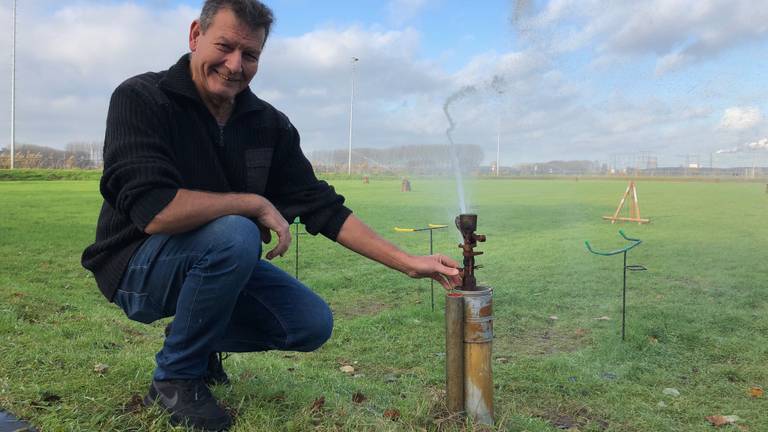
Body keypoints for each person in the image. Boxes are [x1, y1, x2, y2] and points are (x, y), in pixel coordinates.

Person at [81, 0, 461, 430]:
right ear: (194, 35)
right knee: (238, 231)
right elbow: (154, 211)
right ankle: (175, 379)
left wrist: (410, 263)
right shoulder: (141, 98)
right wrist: (254, 203)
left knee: (309, 323)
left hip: (213, 259)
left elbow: (321, 207)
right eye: (224, 46)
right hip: (135, 266)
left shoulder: (269, 124)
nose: (234, 65)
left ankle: (189, 340)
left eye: (251, 55)